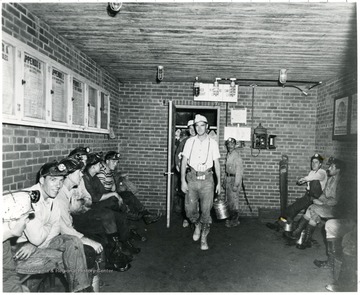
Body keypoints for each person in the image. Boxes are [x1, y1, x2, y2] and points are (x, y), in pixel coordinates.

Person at [13, 161, 93, 292]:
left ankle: (81, 290)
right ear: (41, 180)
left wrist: (35, 244)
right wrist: (38, 239)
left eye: (61, 180)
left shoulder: (52, 197)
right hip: (18, 252)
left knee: (74, 242)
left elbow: (55, 230)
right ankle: (83, 290)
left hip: (36, 245)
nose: (58, 185)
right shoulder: (29, 198)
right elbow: (39, 237)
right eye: (53, 180)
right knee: (72, 259)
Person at [54, 157, 132, 272]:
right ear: (69, 175)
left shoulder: (73, 187)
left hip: (79, 216)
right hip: (71, 226)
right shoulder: (60, 195)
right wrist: (77, 206)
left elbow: (88, 199)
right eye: (79, 172)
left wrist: (79, 204)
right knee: (104, 225)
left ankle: (114, 256)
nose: (81, 175)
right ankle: (112, 259)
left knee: (107, 226)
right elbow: (66, 227)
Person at [82, 153, 141, 255]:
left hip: (99, 202)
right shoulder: (85, 178)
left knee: (121, 216)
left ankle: (125, 243)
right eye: (99, 165)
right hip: (90, 207)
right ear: (92, 166)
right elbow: (95, 198)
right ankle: (128, 212)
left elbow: (103, 191)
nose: (101, 166)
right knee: (114, 201)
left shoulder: (94, 177)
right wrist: (114, 194)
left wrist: (114, 190)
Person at [181, 114, 221, 250]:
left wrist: (219, 182)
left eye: (202, 125)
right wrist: (182, 181)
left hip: (208, 180)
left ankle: (204, 235)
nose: (199, 128)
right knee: (189, 210)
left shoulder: (213, 143)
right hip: (191, 178)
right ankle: (197, 225)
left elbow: (217, 164)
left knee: (206, 211)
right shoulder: (189, 142)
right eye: (197, 125)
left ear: (207, 127)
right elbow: (183, 161)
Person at [289, 158, 344, 249]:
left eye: (332, 167)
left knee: (312, 208)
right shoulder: (331, 179)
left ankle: (298, 233)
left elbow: (337, 201)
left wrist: (322, 203)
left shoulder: (341, 183)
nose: (329, 168)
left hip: (336, 208)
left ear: (338, 170)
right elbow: (324, 193)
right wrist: (319, 200)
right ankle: (306, 240)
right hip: (328, 205)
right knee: (314, 211)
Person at [98, 151, 161, 225]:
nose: (115, 164)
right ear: (107, 161)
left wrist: (120, 180)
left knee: (128, 194)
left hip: (112, 195)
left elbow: (113, 187)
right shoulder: (102, 173)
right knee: (120, 202)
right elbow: (101, 193)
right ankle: (138, 216)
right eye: (113, 162)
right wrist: (116, 195)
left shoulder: (110, 171)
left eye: (117, 162)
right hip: (105, 199)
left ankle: (145, 213)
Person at [3, 190, 40, 292]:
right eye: (25, 218)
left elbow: (8, 273)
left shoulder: (4, 243)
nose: (28, 221)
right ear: (12, 222)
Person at [174, 120, 196, 228]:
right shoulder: (184, 142)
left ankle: (196, 221)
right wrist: (180, 169)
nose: (192, 130)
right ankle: (187, 218)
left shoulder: (201, 141)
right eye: (190, 128)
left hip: (197, 174)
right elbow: (177, 156)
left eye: (193, 127)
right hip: (187, 173)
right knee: (186, 198)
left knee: (197, 197)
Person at [223, 137, 244, 228]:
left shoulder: (236, 156)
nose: (230, 146)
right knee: (229, 201)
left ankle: (234, 221)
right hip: (228, 179)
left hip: (234, 179)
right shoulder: (229, 154)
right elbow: (226, 170)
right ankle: (231, 218)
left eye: (232, 144)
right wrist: (224, 180)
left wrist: (236, 184)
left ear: (235, 145)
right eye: (228, 144)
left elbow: (239, 171)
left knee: (234, 201)